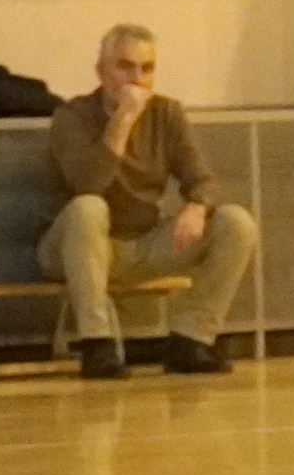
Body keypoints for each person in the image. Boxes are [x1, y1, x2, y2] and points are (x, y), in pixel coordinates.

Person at [41, 25, 259, 379]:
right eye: (125, 66)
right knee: (89, 208)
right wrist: (123, 119)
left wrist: (197, 206)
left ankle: (191, 339)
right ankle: (96, 343)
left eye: (147, 68)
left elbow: (203, 179)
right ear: (102, 72)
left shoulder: (166, 113)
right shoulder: (73, 116)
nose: (137, 78)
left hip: (142, 241)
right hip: (76, 247)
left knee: (236, 223)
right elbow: (88, 184)